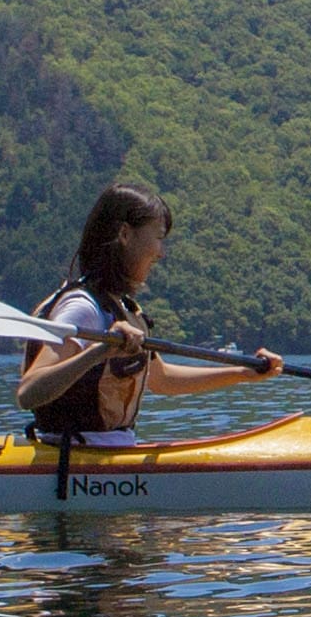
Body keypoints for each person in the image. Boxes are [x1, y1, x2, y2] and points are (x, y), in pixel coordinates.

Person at [16, 184, 284, 440]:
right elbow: (29, 392)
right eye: (158, 238)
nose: (161, 253)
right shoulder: (83, 308)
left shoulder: (123, 308)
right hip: (79, 466)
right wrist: (100, 351)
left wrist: (241, 373)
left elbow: (162, 379)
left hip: (108, 457)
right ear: (124, 234)